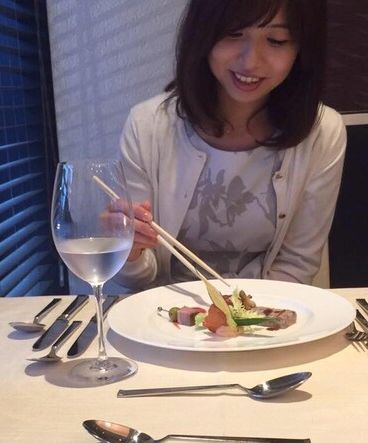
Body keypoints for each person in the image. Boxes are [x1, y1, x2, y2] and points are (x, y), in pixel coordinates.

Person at [114, 0, 346, 291]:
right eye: (233, 33)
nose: (250, 62)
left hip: (270, 310)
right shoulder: (147, 126)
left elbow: (296, 266)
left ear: (302, 47)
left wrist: (240, 315)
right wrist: (130, 251)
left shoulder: (322, 132)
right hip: (164, 312)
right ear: (203, 33)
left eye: (276, 40)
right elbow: (136, 280)